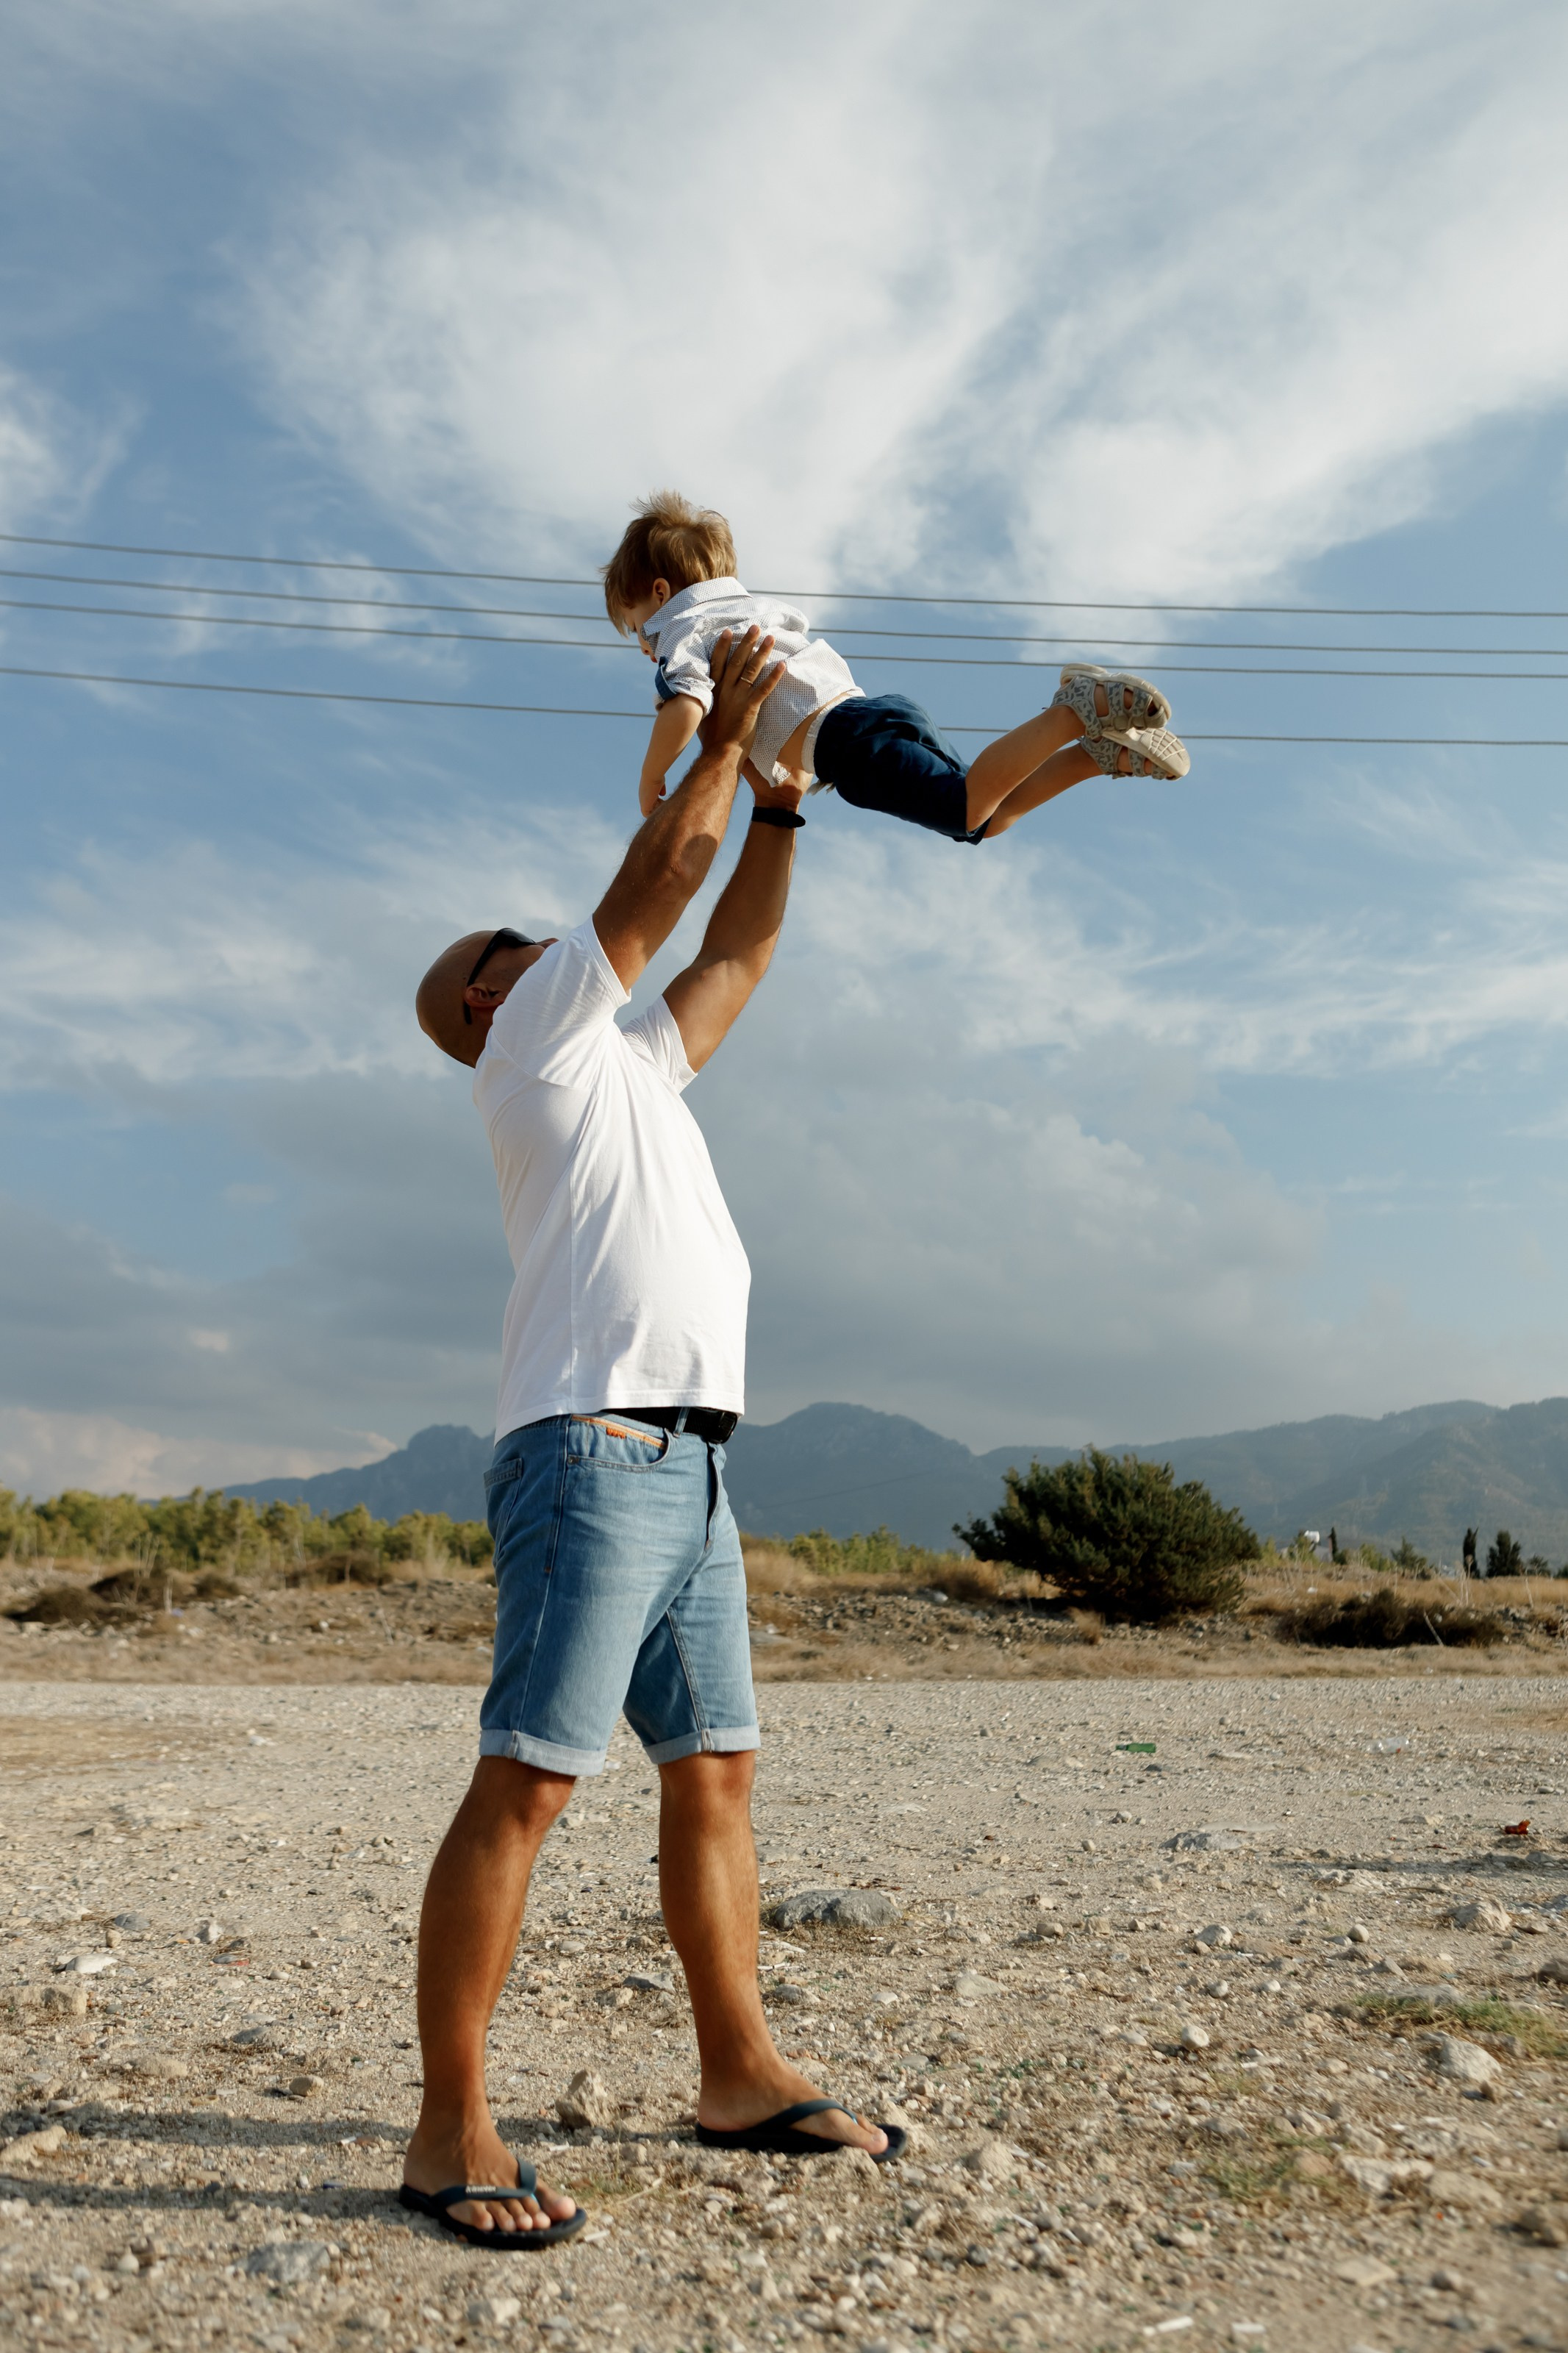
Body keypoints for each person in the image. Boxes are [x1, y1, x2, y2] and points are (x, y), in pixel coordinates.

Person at [405, 626, 903, 2252]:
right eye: (519, 939)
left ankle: (738, 2073)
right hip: (589, 1449)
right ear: (488, 993)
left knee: (717, 1769)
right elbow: (660, 873)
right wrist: (727, 731)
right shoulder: (536, 1040)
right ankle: (447, 2126)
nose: (548, 938)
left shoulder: (628, 1065)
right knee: (529, 1782)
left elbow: (734, 949)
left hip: (687, 1461)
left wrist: (783, 804)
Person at [604, 488, 1192, 843]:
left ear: (660, 594)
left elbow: (685, 706)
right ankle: (1101, 754)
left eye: (635, 627)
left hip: (846, 746)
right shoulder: (752, 609)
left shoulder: (684, 631)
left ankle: (1074, 712)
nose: (644, 646)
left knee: (965, 807)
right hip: (868, 713)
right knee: (983, 816)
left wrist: (652, 774)